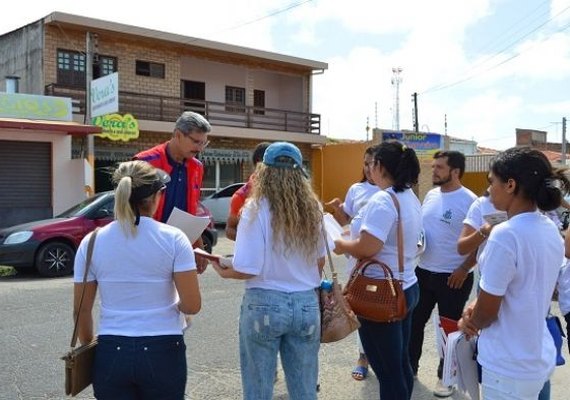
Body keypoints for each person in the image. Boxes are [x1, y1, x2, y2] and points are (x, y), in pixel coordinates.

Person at [73, 160, 202, 399]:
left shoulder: (91, 242)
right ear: (155, 198)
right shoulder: (174, 239)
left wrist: (88, 346)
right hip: (163, 348)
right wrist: (177, 306)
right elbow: (192, 304)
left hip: (111, 351)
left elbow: (81, 310)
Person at [211, 142, 325, 400]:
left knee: (259, 388)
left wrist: (224, 270)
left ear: (263, 171)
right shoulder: (314, 208)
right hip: (306, 303)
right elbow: (319, 262)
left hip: (264, 304)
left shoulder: (254, 208)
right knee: (305, 389)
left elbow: (247, 268)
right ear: (300, 173)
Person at [458, 147, 568, 400]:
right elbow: (526, 286)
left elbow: (487, 313)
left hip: (508, 363)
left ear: (510, 185)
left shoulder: (505, 234)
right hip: (536, 355)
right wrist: (478, 303)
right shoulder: (549, 228)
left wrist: (470, 322)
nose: (488, 190)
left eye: (491, 182)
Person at [333, 141, 422, 400]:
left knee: (387, 369)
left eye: (371, 164)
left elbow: (368, 246)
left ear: (380, 166)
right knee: (399, 364)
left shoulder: (383, 199)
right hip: (406, 285)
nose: (369, 169)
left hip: (381, 293)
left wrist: (341, 244)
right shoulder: (409, 196)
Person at [409, 150, 477, 398]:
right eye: (434, 166)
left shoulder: (470, 200)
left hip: (454, 276)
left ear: (455, 171)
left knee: (450, 331)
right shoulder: (430, 195)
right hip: (423, 272)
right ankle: (410, 369)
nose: (434, 170)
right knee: (413, 323)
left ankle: (446, 378)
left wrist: (463, 268)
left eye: (439, 167)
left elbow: (480, 241)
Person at [134, 110, 211, 272]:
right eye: (196, 142)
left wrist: (199, 248)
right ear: (177, 135)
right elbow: (129, 210)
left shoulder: (197, 167)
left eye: (203, 143)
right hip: (145, 248)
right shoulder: (144, 162)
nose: (200, 148)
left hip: (179, 247)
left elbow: (192, 210)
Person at [325, 146, 378, 381]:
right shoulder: (356, 189)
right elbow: (345, 219)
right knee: (360, 310)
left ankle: (383, 357)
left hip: (380, 262)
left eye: (372, 163)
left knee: (384, 309)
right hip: (356, 260)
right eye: (365, 163)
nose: (368, 168)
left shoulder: (392, 193)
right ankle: (363, 357)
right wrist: (338, 210)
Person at [225, 141, 270, 241]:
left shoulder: (287, 194)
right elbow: (229, 229)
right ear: (259, 163)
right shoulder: (241, 196)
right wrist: (251, 240)